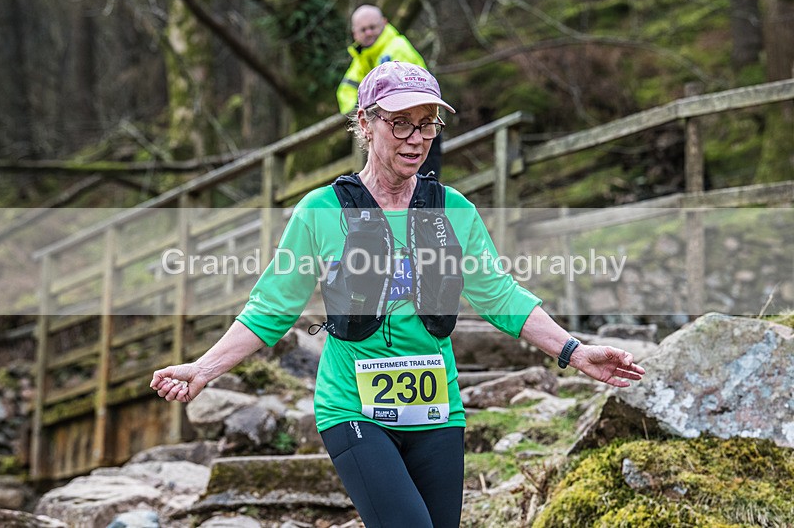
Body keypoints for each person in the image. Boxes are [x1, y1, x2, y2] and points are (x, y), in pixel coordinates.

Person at [151, 61, 646, 528]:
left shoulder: (453, 210)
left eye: (427, 124)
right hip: (353, 407)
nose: (417, 139)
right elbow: (270, 309)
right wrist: (203, 370)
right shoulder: (321, 211)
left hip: (437, 408)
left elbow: (498, 295)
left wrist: (575, 352)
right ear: (366, 124)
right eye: (401, 124)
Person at [336, 4, 443, 178]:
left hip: (420, 121)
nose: (368, 33)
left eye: (372, 27)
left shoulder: (396, 48)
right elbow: (345, 90)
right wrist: (360, 111)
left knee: (424, 183)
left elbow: (400, 95)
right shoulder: (362, 58)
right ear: (355, 33)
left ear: (384, 23)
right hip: (391, 126)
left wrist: (371, 109)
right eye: (363, 29)